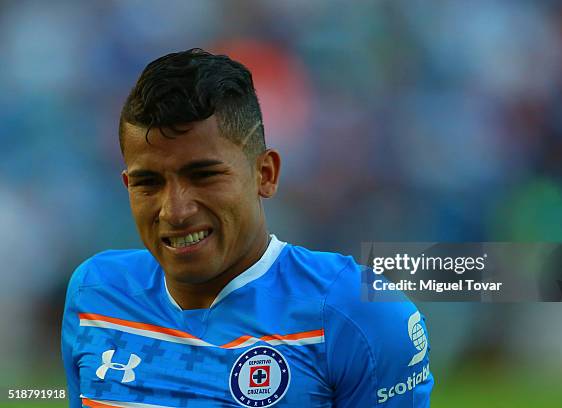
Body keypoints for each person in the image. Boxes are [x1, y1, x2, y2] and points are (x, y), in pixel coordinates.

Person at [61, 48, 433, 407]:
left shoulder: (356, 315)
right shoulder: (96, 294)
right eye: (149, 183)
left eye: (204, 175)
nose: (175, 211)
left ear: (265, 174)